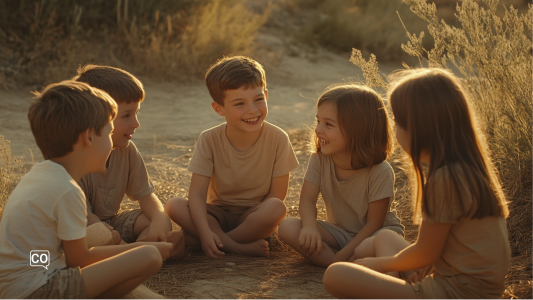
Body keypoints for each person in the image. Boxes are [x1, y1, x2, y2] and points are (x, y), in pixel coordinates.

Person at [323, 68, 511, 299]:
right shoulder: (467, 168)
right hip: (467, 286)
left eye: (396, 120)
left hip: (454, 293)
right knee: (383, 238)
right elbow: (444, 249)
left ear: (419, 128)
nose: (393, 128)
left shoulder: (445, 179)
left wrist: (378, 265)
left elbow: (424, 254)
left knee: (335, 275)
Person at [0, 81, 173, 299]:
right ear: (89, 137)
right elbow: (79, 259)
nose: (111, 143)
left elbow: (35, 255)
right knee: (149, 256)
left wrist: (54, 263)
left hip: (18, 285)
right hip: (40, 291)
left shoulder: (40, 176)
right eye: (108, 134)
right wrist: (147, 248)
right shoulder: (67, 190)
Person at [165, 56, 299, 259]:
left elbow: (277, 195)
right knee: (174, 205)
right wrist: (205, 230)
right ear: (219, 108)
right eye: (239, 103)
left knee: (276, 208)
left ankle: (207, 242)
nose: (252, 110)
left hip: (255, 217)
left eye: (258, 99)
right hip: (218, 214)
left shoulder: (278, 138)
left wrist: (206, 236)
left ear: (267, 95)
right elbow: (198, 195)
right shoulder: (209, 139)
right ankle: (236, 246)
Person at [277, 84, 404, 268]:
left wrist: (345, 253)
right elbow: (307, 199)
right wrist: (310, 227)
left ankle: (344, 263)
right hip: (340, 233)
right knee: (288, 227)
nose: (318, 129)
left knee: (365, 249)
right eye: (318, 121)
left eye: (328, 124)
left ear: (359, 130)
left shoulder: (380, 171)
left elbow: (373, 224)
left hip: (376, 235)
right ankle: (342, 266)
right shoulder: (320, 160)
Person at [73, 65, 180, 248]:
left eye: (136, 113)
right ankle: (138, 253)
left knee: (153, 220)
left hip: (111, 224)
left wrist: (159, 218)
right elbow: (86, 217)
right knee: (99, 236)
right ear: (95, 119)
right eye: (126, 116)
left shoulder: (127, 150)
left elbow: (147, 197)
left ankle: (144, 250)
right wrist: (119, 243)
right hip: (79, 230)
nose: (136, 123)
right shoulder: (74, 158)